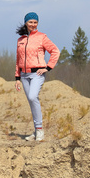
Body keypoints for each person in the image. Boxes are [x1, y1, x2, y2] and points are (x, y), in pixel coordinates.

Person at [15, 12, 60, 141]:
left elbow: (55, 51)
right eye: (30, 22)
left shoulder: (42, 37)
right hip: (24, 75)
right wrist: (17, 78)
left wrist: (48, 67)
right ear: (26, 23)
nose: (33, 25)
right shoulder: (20, 40)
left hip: (37, 74)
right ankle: (36, 131)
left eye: (35, 22)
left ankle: (40, 130)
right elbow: (18, 59)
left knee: (33, 96)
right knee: (31, 102)